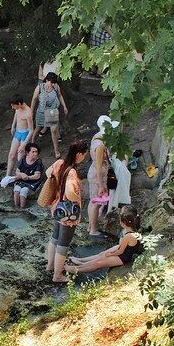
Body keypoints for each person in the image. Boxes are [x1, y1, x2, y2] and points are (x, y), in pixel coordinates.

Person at [45, 140, 89, 283]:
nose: (84, 158)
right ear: (79, 154)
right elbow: (70, 192)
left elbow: (47, 172)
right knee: (63, 243)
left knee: (55, 237)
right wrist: (77, 198)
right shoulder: (72, 172)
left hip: (57, 207)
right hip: (68, 213)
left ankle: (50, 266)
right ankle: (57, 275)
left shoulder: (59, 164)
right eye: (84, 155)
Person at [66, 206, 144, 274]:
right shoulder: (128, 229)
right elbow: (121, 246)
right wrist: (107, 253)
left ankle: (77, 270)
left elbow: (121, 251)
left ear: (123, 222)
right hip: (121, 249)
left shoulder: (129, 236)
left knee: (98, 263)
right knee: (102, 254)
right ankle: (81, 262)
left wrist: (110, 254)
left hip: (123, 257)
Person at [87, 116, 120, 239]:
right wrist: (101, 185)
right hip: (98, 175)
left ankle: (90, 226)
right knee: (96, 203)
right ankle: (94, 230)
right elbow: (99, 165)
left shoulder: (97, 137)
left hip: (95, 173)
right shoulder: (100, 145)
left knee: (92, 201)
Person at [30, 72, 68, 159]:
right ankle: (32, 143)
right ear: (46, 80)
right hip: (41, 111)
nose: (52, 84)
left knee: (54, 130)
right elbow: (34, 99)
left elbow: (60, 96)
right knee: (38, 128)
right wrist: (31, 111)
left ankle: (56, 150)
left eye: (53, 82)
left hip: (52, 111)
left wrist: (64, 106)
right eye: (50, 82)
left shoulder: (56, 87)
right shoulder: (40, 87)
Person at [7, 95, 34, 176]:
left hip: (25, 134)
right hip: (17, 132)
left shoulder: (28, 113)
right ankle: (7, 176)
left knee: (20, 158)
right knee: (11, 155)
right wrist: (13, 125)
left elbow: (31, 130)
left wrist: (24, 144)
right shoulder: (18, 108)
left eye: (13, 105)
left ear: (19, 103)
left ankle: (21, 177)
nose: (12, 107)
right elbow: (16, 114)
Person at [13, 142, 45, 208]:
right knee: (16, 190)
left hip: (32, 182)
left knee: (23, 192)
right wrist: (22, 174)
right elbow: (17, 171)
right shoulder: (23, 159)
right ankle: (16, 207)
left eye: (36, 152)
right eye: (33, 152)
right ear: (27, 153)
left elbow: (37, 176)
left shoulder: (38, 162)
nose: (35, 154)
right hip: (22, 180)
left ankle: (22, 208)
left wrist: (27, 177)